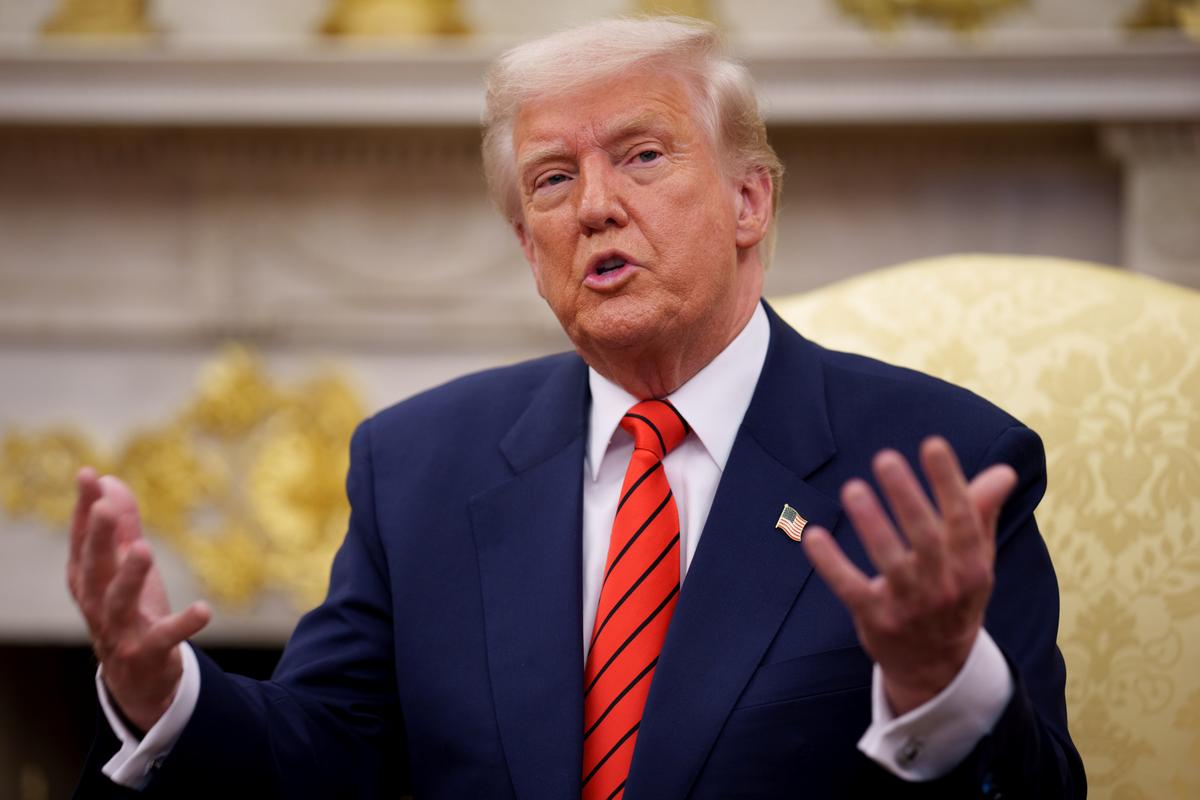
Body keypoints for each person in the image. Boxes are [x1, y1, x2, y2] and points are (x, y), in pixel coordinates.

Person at [70, 16, 1085, 799]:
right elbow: (327, 754)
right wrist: (165, 696)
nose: (594, 205)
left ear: (750, 201)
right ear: (529, 246)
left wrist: (942, 686)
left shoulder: (942, 461)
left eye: (643, 156)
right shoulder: (419, 466)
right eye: (552, 179)